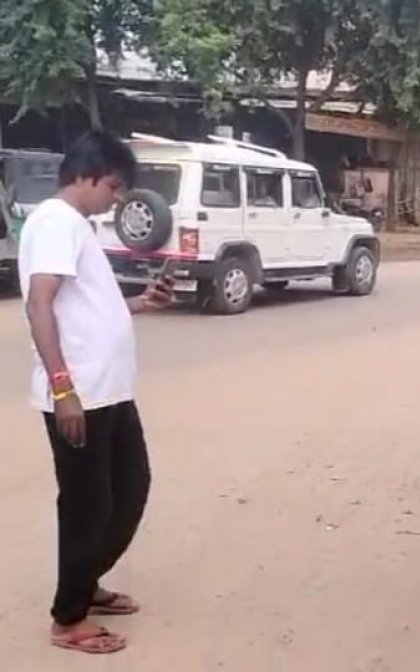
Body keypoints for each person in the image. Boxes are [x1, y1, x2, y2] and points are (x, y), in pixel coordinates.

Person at [17, 131, 174, 655]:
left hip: (109, 392)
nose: (116, 199)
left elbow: (85, 307)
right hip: (80, 394)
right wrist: (63, 389)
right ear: (85, 176)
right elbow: (40, 306)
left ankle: (87, 582)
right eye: (112, 186)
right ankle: (69, 619)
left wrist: (140, 302)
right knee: (89, 505)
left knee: (130, 487)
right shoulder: (57, 222)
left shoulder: (76, 226)